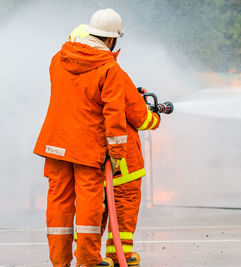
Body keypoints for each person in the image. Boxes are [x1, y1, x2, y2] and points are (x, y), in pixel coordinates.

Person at [34, 8, 130, 267]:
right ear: (111, 40)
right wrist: (118, 155)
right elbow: (114, 115)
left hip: (55, 145)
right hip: (87, 149)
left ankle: (59, 261)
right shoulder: (109, 68)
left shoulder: (58, 59)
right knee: (89, 206)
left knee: (59, 204)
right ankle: (88, 260)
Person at [69, 24, 160, 266]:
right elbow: (139, 116)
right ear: (110, 41)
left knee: (91, 207)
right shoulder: (112, 71)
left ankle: (88, 256)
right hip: (122, 157)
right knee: (124, 204)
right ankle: (120, 255)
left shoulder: (72, 74)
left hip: (90, 155)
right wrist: (155, 116)